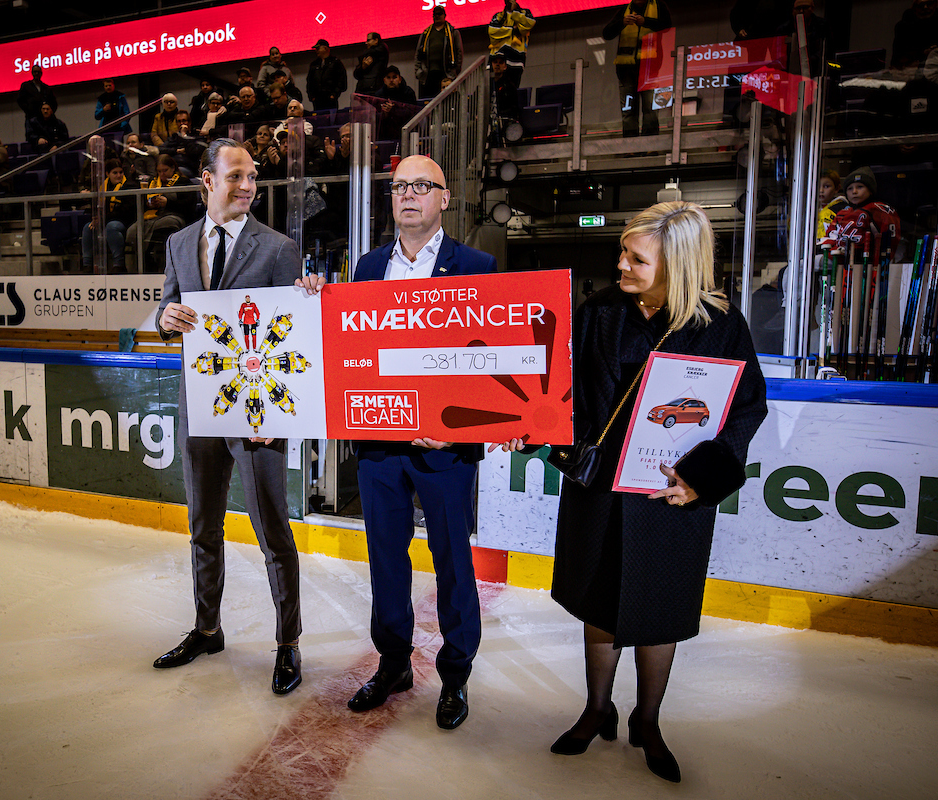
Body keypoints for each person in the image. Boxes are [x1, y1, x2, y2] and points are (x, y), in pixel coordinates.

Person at [496, 202, 766, 783]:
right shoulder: (598, 312)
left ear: (679, 264)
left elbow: (747, 409)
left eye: (635, 258)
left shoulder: (722, 327)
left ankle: (649, 720)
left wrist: (703, 479)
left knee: (659, 611)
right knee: (599, 602)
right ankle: (597, 709)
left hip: (673, 498)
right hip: (601, 490)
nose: (620, 263)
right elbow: (557, 389)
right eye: (622, 251)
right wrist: (527, 426)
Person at [152, 137, 323, 695]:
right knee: (203, 525)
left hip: (256, 415)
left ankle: (288, 644)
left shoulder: (278, 248)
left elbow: (296, 325)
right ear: (207, 180)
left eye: (252, 177)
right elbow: (167, 304)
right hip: (199, 407)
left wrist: (310, 296)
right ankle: (207, 628)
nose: (248, 186)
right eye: (236, 177)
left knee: (272, 529)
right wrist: (166, 318)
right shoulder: (179, 242)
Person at [345, 154, 497, 731]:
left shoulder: (477, 267)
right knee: (386, 560)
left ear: (444, 198)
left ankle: (455, 674)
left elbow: (492, 365)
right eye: (399, 186)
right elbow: (349, 349)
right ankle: (393, 663)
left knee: (453, 562)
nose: (408, 194)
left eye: (421, 186)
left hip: (444, 448)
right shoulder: (366, 267)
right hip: (379, 442)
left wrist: (463, 428)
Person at [603, 0, 672, 137]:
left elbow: (667, 26)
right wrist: (622, 23)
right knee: (628, 110)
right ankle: (630, 147)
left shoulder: (658, 6)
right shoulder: (624, 10)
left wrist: (645, 21)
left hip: (650, 69)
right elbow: (606, 33)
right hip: (626, 70)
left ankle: (650, 146)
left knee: (651, 109)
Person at [126, 154, 189, 272]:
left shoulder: (183, 181)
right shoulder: (153, 183)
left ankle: (152, 262)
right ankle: (143, 262)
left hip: (174, 215)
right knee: (132, 230)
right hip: (152, 216)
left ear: (173, 168)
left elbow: (188, 206)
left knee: (165, 223)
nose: (162, 174)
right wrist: (149, 204)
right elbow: (141, 204)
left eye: (165, 170)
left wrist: (168, 203)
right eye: (159, 171)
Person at [818, 166, 901, 255]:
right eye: (850, 188)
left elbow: (889, 243)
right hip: (840, 259)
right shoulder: (843, 213)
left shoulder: (880, 211)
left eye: (860, 187)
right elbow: (831, 238)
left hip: (868, 262)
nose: (854, 191)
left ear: (870, 190)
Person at [81, 159, 136, 272]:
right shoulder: (102, 187)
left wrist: (102, 219)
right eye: (115, 173)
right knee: (88, 228)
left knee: (112, 227)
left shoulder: (128, 185)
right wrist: (95, 218)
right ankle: (87, 265)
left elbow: (126, 212)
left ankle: (118, 264)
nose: (119, 175)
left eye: (120, 172)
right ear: (107, 174)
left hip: (123, 221)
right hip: (106, 220)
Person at [415, 7, 463, 98]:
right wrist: (418, 71)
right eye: (435, 14)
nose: (437, 16)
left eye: (439, 14)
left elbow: (459, 52)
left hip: (446, 73)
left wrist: (455, 71)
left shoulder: (452, 33)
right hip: (428, 74)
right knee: (428, 102)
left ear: (444, 15)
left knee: (446, 101)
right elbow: (418, 54)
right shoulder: (426, 33)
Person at [892, 0, 938, 69]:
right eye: (921, 5)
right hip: (912, 69)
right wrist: (922, 53)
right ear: (914, 7)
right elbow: (898, 57)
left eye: (929, 4)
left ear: (935, 4)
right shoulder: (903, 26)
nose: (925, 7)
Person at [487, 0, 536, 81]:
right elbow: (492, 31)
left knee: (511, 90)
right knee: (492, 90)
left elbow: (528, 25)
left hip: (516, 60)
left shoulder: (525, 13)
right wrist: (513, 30)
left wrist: (515, 12)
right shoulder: (498, 16)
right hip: (496, 60)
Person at [307, 39, 347, 111]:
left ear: (325, 48)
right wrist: (312, 96)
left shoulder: (335, 62)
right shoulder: (314, 64)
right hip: (317, 100)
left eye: (318, 48)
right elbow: (309, 81)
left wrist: (334, 94)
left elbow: (341, 80)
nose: (316, 50)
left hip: (330, 99)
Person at [816, 168, 847, 241]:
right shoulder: (808, 208)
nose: (821, 190)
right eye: (817, 186)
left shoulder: (841, 209)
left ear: (837, 188)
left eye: (826, 186)